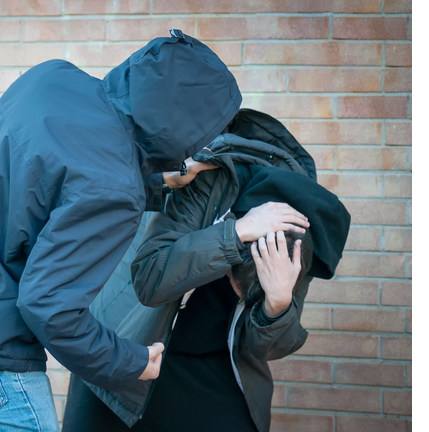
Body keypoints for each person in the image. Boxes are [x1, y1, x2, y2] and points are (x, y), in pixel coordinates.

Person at [0, 30, 244, 432]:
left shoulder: (50, 77)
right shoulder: (115, 188)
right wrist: (132, 363)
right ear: (192, 124)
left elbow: (59, 180)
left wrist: (160, 181)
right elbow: (49, 307)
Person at [62, 109, 351, 432]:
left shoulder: (296, 233)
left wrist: (278, 305)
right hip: (132, 338)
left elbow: (266, 347)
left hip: (218, 367)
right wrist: (234, 235)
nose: (233, 290)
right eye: (233, 280)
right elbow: (150, 279)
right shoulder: (204, 178)